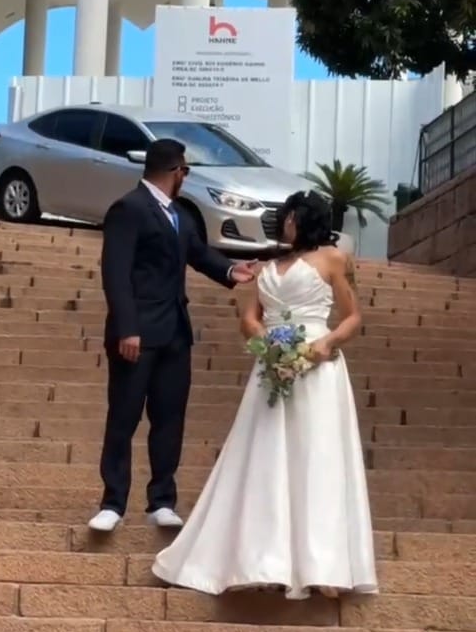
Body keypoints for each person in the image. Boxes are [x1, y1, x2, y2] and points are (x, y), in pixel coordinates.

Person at [152, 190, 379, 599]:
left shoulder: (332, 258)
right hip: (272, 366)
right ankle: (264, 558)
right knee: (266, 454)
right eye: (285, 216)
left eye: (291, 216)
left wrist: (325, 344)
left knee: (318, 456)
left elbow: (352, 317)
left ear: (306, 219)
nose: (285, 222)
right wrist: (267, 341)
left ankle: (324, 564)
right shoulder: (269, 266)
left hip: (316, 367)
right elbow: (249, 318)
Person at [88, 138, 256, 532]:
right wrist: (127, 327)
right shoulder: (129, 209)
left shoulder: (179, 214)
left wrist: (231, 270)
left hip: (175, 333)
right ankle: (113, 503)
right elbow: (115, 273)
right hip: (136, 334)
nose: (186, 178)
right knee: (124, 416)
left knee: (169, 418)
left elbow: (198, 252)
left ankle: (161, 500)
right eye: (185, 171)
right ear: (175, 171)